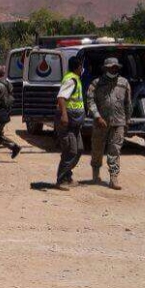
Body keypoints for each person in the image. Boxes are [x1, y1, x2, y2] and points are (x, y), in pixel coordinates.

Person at [87, 57, 132, 190]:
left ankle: (114, 178)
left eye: (116, 67)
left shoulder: (124, 83)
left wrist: (127, 121)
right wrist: (97, 116)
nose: (114, 69)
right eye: (111, 67)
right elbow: (90, 100)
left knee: (115, 150)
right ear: (105, 68)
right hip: (101, 122)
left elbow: (128, 103)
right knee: (97, 149)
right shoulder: (96, 83)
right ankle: (95, 173)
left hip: (118, 122)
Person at [54, 56, 85, 189]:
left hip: (75, 123)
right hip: (67, 122)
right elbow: (61, 97)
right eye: (81, 67)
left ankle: (67, 176)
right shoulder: (71, 80)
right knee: (70, 150)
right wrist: (64, 116)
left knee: (79, 149)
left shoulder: (76, 79)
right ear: (78, 67)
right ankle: (61, 180)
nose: (82, 69)